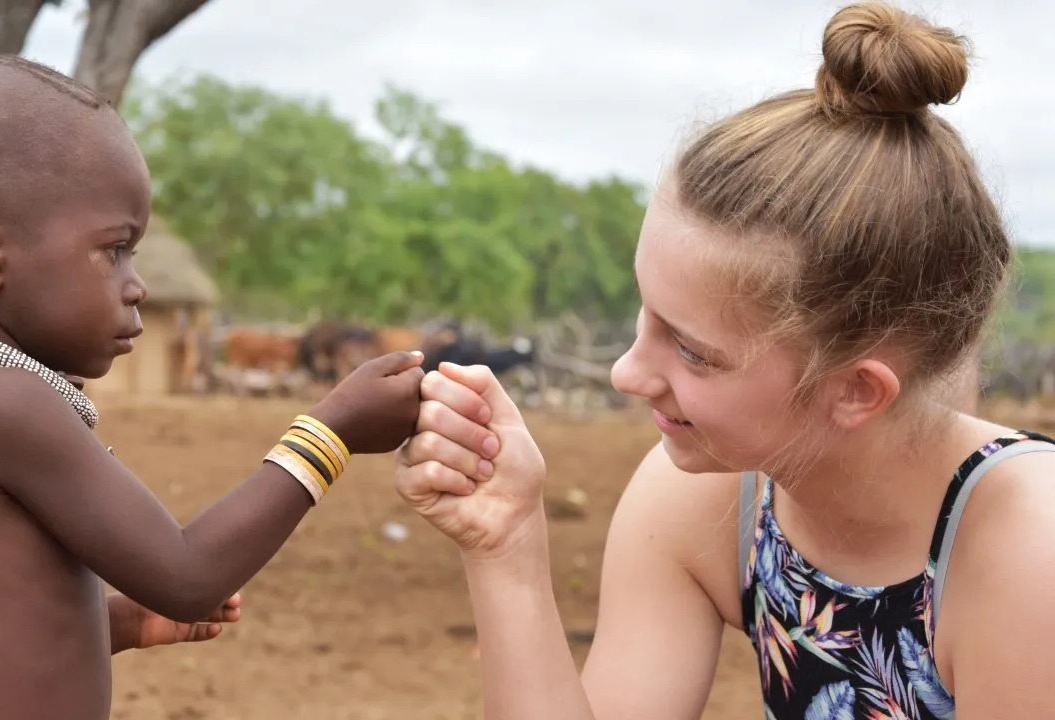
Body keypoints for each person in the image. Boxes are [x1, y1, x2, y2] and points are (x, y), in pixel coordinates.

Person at [395, 3, 1054, 718]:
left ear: (856, 392)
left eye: (692, 351)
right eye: (647, 317)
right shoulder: (713, 501)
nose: (627, 372)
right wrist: (507, 547)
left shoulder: (1026, 555)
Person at [0, 55, 425, 720]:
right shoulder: (1, 406)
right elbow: (188, 576)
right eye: (114, 249)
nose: (137, 284)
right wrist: (331, 432)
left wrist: (117, 626)